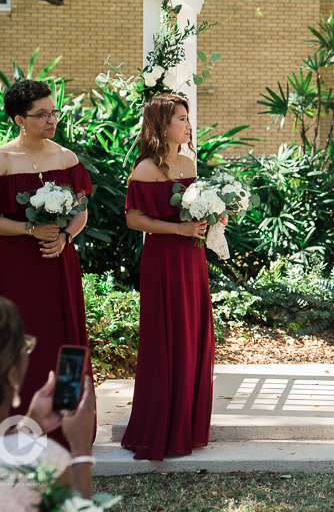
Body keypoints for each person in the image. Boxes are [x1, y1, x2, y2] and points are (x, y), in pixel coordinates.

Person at [0, 79, 94, 449]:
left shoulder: (65, 158)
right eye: (42, 114)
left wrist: (65, 237)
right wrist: (29, 228)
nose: (51, 119)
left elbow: (82, 210)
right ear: (18, 119)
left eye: (53, 111)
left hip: (59, 261)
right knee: (18, 340)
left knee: (66, 338)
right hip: (16, 265)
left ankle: (69, 424)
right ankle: (17, 422)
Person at [120, 93, 220, 461]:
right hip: (163, 259)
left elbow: (194, 211)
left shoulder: (188, 163)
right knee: (167, 336)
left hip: (192, 260)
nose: (188, 125)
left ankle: (187, 427)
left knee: (192, 333)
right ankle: (160, 428)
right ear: (162, 125)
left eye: (187, 118)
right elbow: (133, 219)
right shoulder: (146, 169)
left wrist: (214, 216)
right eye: (181, 118)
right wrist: (178, 231)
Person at [0, 293, 95, 511]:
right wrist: (81, 449)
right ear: (11, 376)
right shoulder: (45, 464)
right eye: (25, 346)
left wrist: (31, 424)